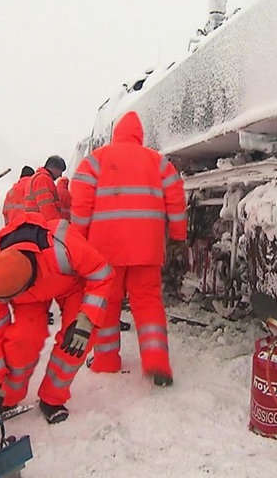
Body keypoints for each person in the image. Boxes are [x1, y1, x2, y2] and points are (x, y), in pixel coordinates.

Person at [70, 111, 187, 386]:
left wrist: (79, 241)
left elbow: (81, 204)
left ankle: (106, 360)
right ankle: (157, 362)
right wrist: (178, 235)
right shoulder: (158, 162)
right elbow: (177, 198)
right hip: (147, 250)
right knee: (148, 303)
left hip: (105, 251)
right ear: (139, 136)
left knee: (107, 305)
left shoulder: (95, 161)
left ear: (116, 134)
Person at [0, 213, 114, 424]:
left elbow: (101, 274)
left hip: (70, 284)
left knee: (78, 338)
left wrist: (86, 318)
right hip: (28, 299)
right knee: (23, 339)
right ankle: (6, 398)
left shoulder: (64, 248)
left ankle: (52, 398)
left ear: (27, 284)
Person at [25, 155, 66, 222]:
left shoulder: (37, 177)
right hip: (42, 226)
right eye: (60, 171)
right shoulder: (43, 179)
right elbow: (47, 209)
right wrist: (58, 225)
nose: (60, 175)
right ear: (55, 168)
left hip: (35, 225)